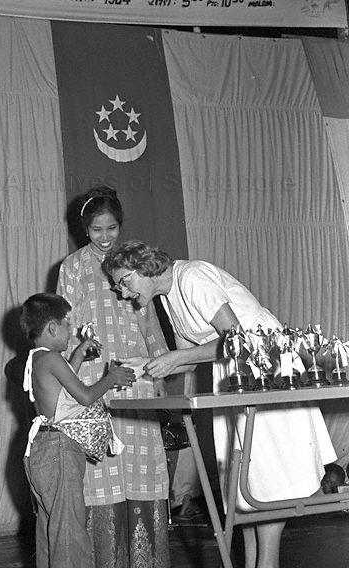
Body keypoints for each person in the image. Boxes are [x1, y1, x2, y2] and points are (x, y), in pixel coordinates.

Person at [103, 240, 337, 568]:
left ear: (144, 267)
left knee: (267, 479)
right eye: (117, 286)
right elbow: (188, 359)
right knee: (244, 484)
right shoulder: (168, 298)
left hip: (264, 366)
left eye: (124, 281)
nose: (123, 293)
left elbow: (236, 338)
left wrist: (176, 357)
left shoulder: (192, 277)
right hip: (235, 374)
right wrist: (143, 364)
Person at [57, 186, 171, 568]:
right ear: (83, 230)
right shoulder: (72, 267)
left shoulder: (133, 261)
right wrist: (71, 370)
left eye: (111, 229)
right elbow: (65, 327)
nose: (104, 237)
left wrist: (158, 368)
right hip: (94, 378)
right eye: (95, 231)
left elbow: (149, 316)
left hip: (136, 374)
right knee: (100, 468)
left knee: (142, 467)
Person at [19, 292, 136, 568]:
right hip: (59, 450)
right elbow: (83, 396)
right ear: (52, 328)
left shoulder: (38, 358)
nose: (71, 334)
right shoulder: (52, 359)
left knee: (52, 529)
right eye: (67, 327)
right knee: (70, 533)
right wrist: (111, 379)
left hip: (41, 451)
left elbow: (61, 392)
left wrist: (78, 355)